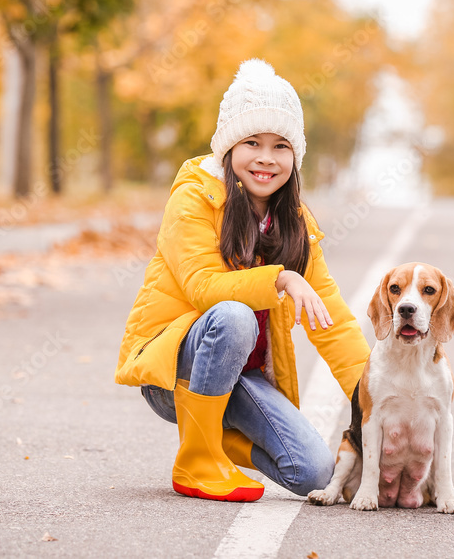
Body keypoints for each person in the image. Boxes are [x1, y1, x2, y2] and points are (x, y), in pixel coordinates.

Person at [114, 58, 371, 502]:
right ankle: (196, 461)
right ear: (229, 149)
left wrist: (380, 395)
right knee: (233, 316)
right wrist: (282, 278)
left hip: (241, 379)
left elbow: (334, 322)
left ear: (296, 155)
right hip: (175, 372)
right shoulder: (194, 198)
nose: (266, 158)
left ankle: (213, 438)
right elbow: (203, 288)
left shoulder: (294, 223)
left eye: (281, 146)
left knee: (315, 473)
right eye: (252, 142)